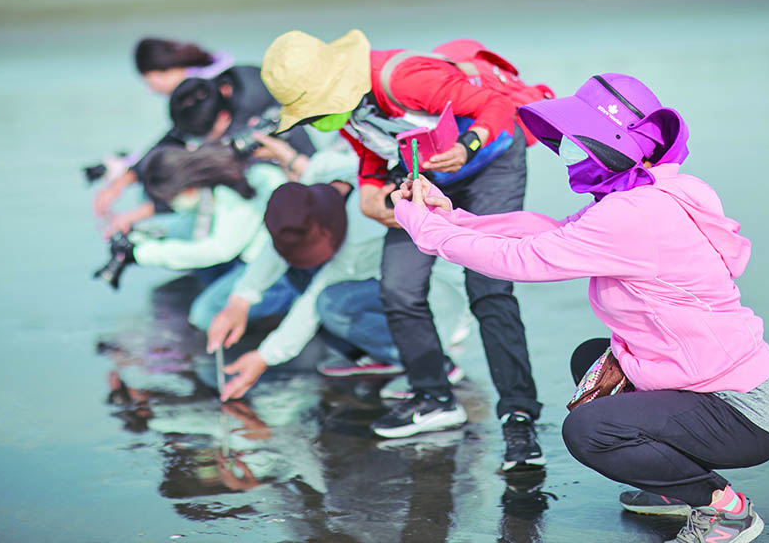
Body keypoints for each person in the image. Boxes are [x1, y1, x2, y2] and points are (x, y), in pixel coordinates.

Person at [390, 73, 769, 543]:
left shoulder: (633, 214)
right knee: (592, 359)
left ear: (615, 145)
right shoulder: (643, 195)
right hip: (714, 388)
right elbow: (545, 232)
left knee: (588, 431)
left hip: (741, 412)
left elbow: (523, 258)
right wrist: (450, 216)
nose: (570, 152)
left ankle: (726, 511)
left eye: (581, 142)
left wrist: (426, 230)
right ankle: (670, 486)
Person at [259, 29, 553, 470]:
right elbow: (372, 147)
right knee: (398, 287)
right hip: (421, 172)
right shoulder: (344, 106)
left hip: (491, 163)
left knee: (488, 287)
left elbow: (497, 106)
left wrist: (465, 146)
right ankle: (433, 397)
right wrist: (370, 189)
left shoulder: (405, 79)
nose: (313, 120)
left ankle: (518, 415)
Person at [205, 145, 471, 398]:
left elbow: (314, 298)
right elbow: (282, 241)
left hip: (440, 302)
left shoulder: (364, 221)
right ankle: (380, 353)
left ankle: (431, 361)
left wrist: (265, 357)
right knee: (298, 275)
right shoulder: (322, 172)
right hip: (381, 281)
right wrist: (239, 301)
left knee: (330, 302)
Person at [93, 67, 315, 238]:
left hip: (299, 166)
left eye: (202, 137)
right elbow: (175, 137)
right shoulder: (210, 93)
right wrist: (124, 180)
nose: (197, 142)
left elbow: (203, 172)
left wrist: (136, 215)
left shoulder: (246, 123)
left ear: (223, 119)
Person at [111, 143, 299, 331]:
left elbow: (219, 250)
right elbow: (190, 227)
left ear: (185, 187)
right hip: (252, 255)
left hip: (280, 268)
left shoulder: (233, 191)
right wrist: (142, 234)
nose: (171, 205)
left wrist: (143, 254)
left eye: (169, 199)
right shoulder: (213, 182)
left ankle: (295, 299)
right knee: (197, 260)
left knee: (206, 314)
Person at [85, 38, 235, 184]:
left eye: (151, 82)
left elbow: (178, 141)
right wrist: (132, 167)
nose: (151, 90)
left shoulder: (202, 94)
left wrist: (132, 174)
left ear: (167, 70)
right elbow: (178, 138)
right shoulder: (207, 84)